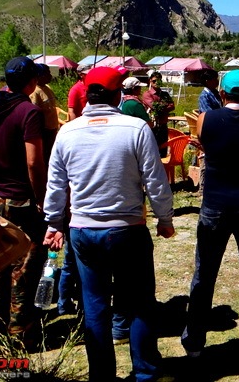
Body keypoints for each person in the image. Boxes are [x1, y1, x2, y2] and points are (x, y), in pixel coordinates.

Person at [43, 65, 175, 382]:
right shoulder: (135, 128)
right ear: (118, 94)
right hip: (127, 228)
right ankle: (144, 371)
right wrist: (165, 217)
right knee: (140, 301)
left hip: (84, 231)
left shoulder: (68, 131)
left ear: (87, 94)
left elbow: (56, 185)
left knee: (95, 305)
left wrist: (53, 223)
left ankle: (102, 375)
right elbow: (155, 181)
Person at [181, 70, 239, 364]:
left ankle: (195, 341)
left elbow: (207, 146)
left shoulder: (206, 119)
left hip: (215, 206)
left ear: (222, 93)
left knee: (205, 273)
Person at [0, 56, 46, 342]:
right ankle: (18, 332)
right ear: (32, 81)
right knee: (23, 268)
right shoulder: (29, 112)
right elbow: (33, 163)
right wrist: (41, 198)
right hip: (20, 200)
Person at [29, 63, 59, 163]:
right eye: (47, 73)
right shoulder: (35, 92)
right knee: (45, 158)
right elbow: (34, 114)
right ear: (39, 76)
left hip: (53, 130)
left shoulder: (47, 88)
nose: (50, 76)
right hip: (44, 132)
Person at [142, 71, 175, 152]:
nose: (156, 83)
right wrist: (165, 105)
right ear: (150, 81)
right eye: (154, 81)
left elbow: (172, 106)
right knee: (153, 150)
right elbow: (154, 107)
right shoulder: (147, 94)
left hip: (163, 125)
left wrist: (161, 107)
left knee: (163, 149)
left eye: (158, 80)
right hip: (153, 126)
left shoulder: (165, 94)